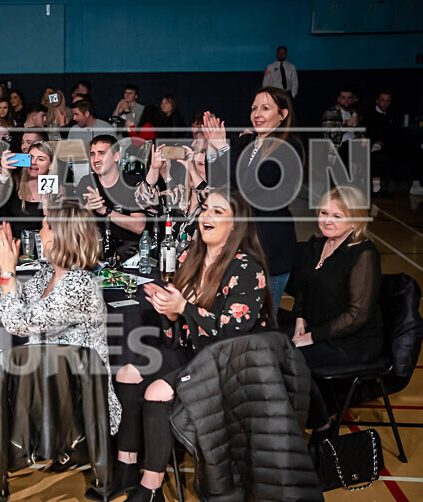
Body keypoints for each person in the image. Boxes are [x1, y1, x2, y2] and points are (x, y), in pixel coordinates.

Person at [113, 189, 271, 502]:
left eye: (217, 211)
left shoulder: (246, 269)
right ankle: (125, 468)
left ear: (236, 223)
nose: (206, 216)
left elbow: (231, 333)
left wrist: (183, 307)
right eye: (205, 209)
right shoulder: (188, 255)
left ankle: (151, 486)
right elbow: (176, 327)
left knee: (157, 391)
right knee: (128, 372)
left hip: (228, 363)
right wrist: (169, 312)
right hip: (191, 352)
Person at [0, 205, 119, 502]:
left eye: (45, 227)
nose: (39, 232)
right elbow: (17, 301)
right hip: (45, 374)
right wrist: (7, 267)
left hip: (73, 391)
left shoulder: (78, 285)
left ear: (60, 236)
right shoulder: (50, 273)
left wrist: (8, 270)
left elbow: (16, 322)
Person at [288, 186, 382, 433]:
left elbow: (356, 316)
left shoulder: (363, 253)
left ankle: (322, 424)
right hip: (318, 327)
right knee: (266, 340)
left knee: (288, 359)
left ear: (354, 221)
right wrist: (299, 322)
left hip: (352, 341)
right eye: (323, 213)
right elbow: (302, 290)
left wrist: (309, 338)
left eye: (337, 216)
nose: (327, 220)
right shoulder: (316, 244)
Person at [204, 87, 303, 313]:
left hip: (270, 249)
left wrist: (223, 147)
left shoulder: (288, 147)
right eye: (254, 108)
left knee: (264, 323)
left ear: (283, 114)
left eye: (266, 108)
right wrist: (212, 148)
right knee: (237, 317)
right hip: (241, 246)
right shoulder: (248, 144)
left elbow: (248, 186)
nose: (257, 113)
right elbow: (220, 184)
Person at [77, 135, 146, 260]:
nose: (95, 159)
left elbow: (139, 226)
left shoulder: (131, 182)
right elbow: (73, 226)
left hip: (127, 255)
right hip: (93, 253)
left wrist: (104, 210)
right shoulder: (86, 182)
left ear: (116, 156)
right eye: (92, 154)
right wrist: (87, 208)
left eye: (101, 153)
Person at [0, 140, 62, 236]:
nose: (33, 162)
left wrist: (46, 204)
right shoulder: (15, 183)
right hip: (15, 245)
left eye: (40, 159)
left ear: (50, 164)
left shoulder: (57, 190)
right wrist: (4, 174)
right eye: (30, 157)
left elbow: (56, 230)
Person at [365, 89, 396, 197]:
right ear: (377, 101)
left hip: (386, 147)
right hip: (369, 147)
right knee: (377, 157)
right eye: (382, 100)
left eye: (387, 101)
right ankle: (376, 189)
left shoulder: (391, 116)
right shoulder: (369, 116)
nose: (385, 103)